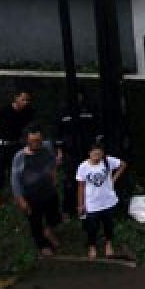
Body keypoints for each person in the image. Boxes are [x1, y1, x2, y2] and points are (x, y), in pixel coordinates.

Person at [11, 126, 62, 256]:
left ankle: (49, 230)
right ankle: (42, 244)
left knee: (54, 216)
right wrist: (20, 199)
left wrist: (54, 176)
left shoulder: (47, 147)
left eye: (39, 140)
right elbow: (15, 179)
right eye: (33, 141)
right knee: (35, 221)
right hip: (31, 194)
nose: (36, 143)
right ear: (27, 140)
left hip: (49, 190)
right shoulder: (20, 156)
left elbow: (53, 161)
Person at [76, 140, 126, 260]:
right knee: (92, 227)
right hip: (92, 204)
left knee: (108, 225)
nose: (97, 157)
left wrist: (114, 178)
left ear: (103, 153)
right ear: (89, 153)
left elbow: (123, 164)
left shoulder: (108, 161)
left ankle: (108, 244)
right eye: (94, 154)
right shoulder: (83, 167)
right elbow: (81, 187)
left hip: (108, 201)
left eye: (99, 154)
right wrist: (80, 205)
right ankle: (92, 246)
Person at [0, 90, 35, 213]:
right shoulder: (4, 110)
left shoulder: (28, 112)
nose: (26, 102)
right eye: (23, 99)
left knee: (17, 172)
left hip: (15, 146)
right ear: (16, 98)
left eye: (28, 100)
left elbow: (28, 127)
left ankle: (17, 197)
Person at [56, 90, 100, 218]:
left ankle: (88, 207)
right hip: (70, 153)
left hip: (88, 152)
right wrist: (59, 152)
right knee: (70, 182)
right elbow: (58, 133)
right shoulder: (64, 110)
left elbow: (96, 130)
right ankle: (68, 209)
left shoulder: (89, 109)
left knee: (90, 180)